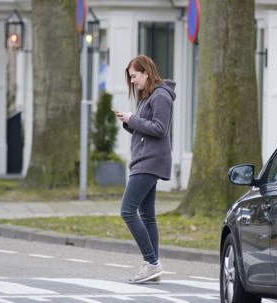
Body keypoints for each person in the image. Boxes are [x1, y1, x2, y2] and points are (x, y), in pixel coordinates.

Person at [115, 55, 176, 284]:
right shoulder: (148, 96)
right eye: (130, 77)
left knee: (127, 210)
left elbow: (160, 129)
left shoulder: (161, 96)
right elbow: (146, 131)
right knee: (147, 216)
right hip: (145, 159)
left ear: (146, 73)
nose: (132, 81)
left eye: (134, 76)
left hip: (149, 162)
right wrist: (129, 122)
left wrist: (134, 119)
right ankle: (153, 267)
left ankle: (151, 262)